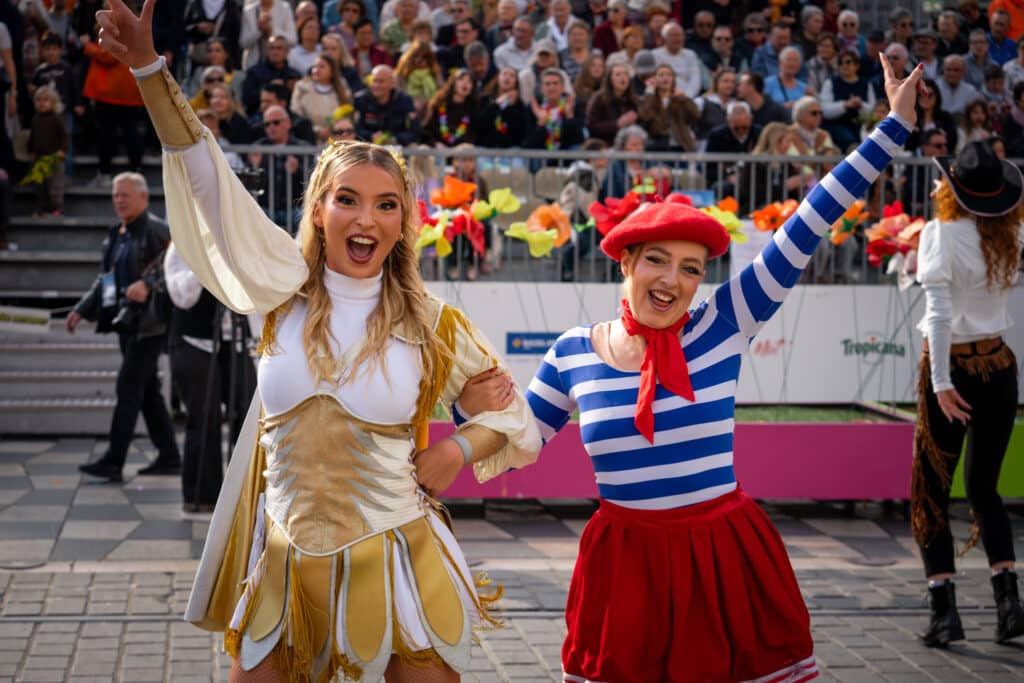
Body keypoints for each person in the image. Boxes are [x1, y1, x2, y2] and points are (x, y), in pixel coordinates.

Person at [94, 3, 542, 682]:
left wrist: (457, 447)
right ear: (318, 209)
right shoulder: (277, 290)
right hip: (281, 569)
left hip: (399, 569)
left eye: (386, 203)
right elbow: (204, 177)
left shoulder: (432, 322)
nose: (367, 217)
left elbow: (516, 417)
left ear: (403, 221)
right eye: (348, 199)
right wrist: (152, 72)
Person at [515, 53, 925, 683]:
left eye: (691, 268)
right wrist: (463, 413)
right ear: (624, 263)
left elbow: (810, 221)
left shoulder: (724, 321)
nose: (674, 280)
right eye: (657, 260)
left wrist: (889, 131)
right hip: (624, 567)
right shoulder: (572, 350)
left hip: (720, 559)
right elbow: (517, 442)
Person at [913, 140, 1024, 648]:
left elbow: (938, 315)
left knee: (932, 491)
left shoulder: (941, 233)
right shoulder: (1012, 232)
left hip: (954, 368)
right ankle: (1009, 605)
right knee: (984, 488)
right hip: (999, 366)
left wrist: (939, 384)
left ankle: (945, 613)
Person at [69, 172, 182, 482]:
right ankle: (170, 456)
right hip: (126, 323)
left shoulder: (158, 231)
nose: (119, 200)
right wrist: (81, 310)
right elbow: (104, 280)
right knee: (147, 391)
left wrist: (148, 284)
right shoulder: (116, 234)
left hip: (150, 325)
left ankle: (113, 460)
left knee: (128, 386)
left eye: (125, 195)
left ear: (143, 198)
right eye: (115, 195)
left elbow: (179, 266)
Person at [164, 243, 257, 513]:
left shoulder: (238, 240)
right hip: (195, 339)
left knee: (247, 413)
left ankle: (245, 494)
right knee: (205, 418)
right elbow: (182, 296)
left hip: (235, 339)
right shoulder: (183, 245)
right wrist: (211, 259)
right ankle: (202, 496)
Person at [352, 64, 422, 145]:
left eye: (381, 81)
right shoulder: (360, 99)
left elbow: (415, 131)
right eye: (374, 81)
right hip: (366, 146)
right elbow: (355, 128)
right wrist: (370, 136)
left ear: (392, 84)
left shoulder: (404, 100)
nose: (377, 85)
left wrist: (395, 139)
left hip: (398, 147)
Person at [27, 85, 68, 217]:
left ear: (53, 103)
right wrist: (31, 150)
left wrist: (62, 150)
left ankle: (56, 208)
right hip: (39, 158)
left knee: (54, 185)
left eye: (45, 100)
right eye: (38, 100)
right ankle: (42, 208)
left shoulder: (57, 119)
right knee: (40, 185)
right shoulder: (35, 119)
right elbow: (32, 137)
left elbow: (64, 136)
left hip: (54, 157)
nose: (41, 103)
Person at [290, 54, 352, 142]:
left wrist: (334, 130)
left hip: (337, 139)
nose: (316, 70)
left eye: (321, 66)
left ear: (332, 71)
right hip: (309, 140)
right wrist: (317, 131)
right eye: (315, 66)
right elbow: (296, 113)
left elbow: (349, 116)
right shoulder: (301, 89)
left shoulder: (343, 92)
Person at [240, 0, 297, 70]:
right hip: (254, 66)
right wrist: (259, 30)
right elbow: (244, 43)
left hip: (280, 67)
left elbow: (293, 40)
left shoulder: (285, 8)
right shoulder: (248, 11)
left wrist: (272, 30)